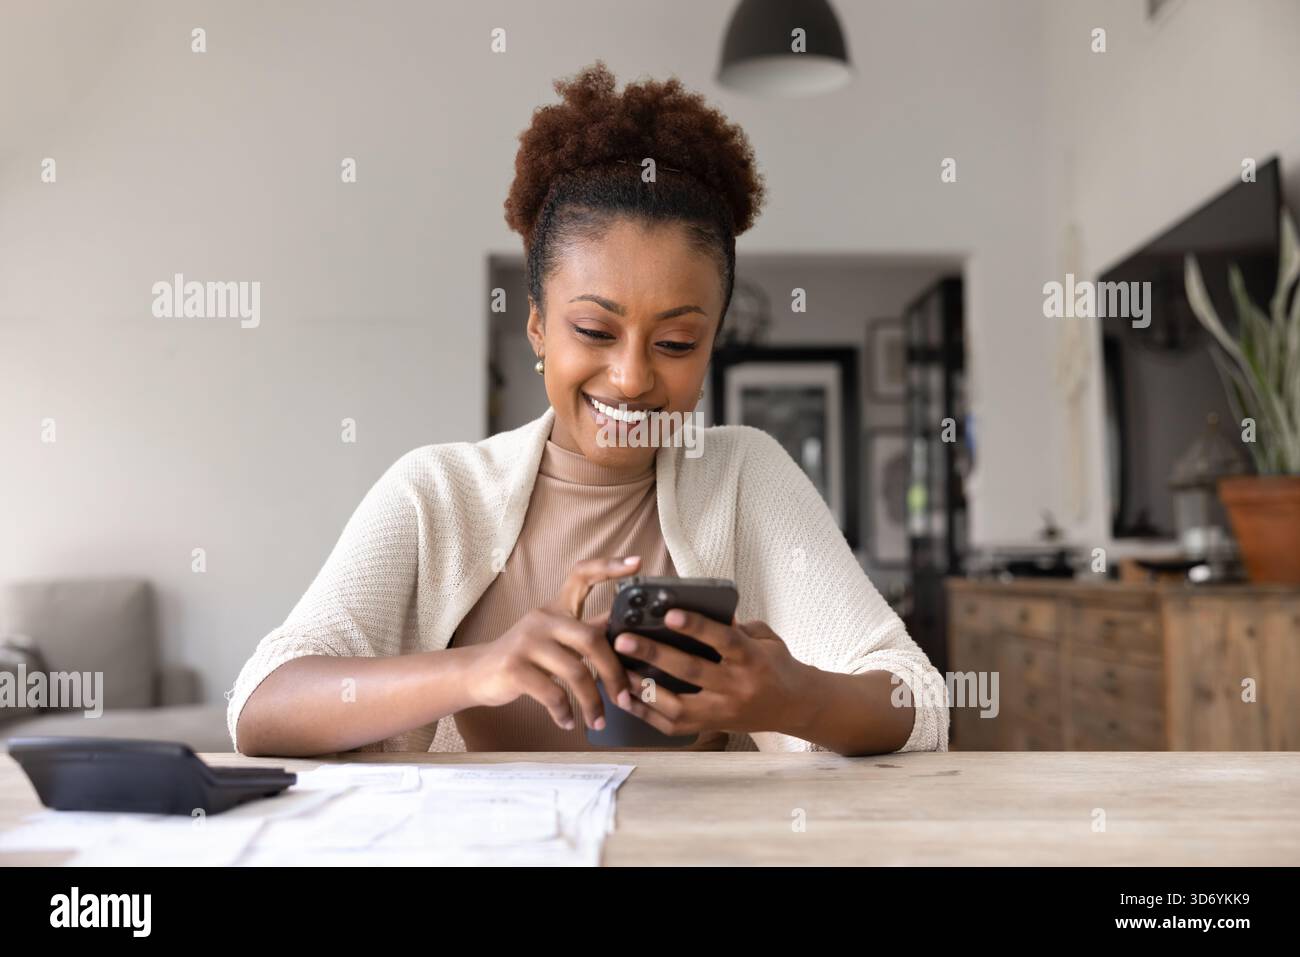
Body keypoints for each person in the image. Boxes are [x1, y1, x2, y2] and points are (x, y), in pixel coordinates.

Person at [227, 61, 949, 758]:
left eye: (675, 340)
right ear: (537, 325)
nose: (632, 377)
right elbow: (262, 704)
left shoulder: (744, 477)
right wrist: (480, 668)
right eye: (595, 331)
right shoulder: (436, 494)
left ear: (711, 343)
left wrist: (789, 696)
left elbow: (918, 700)